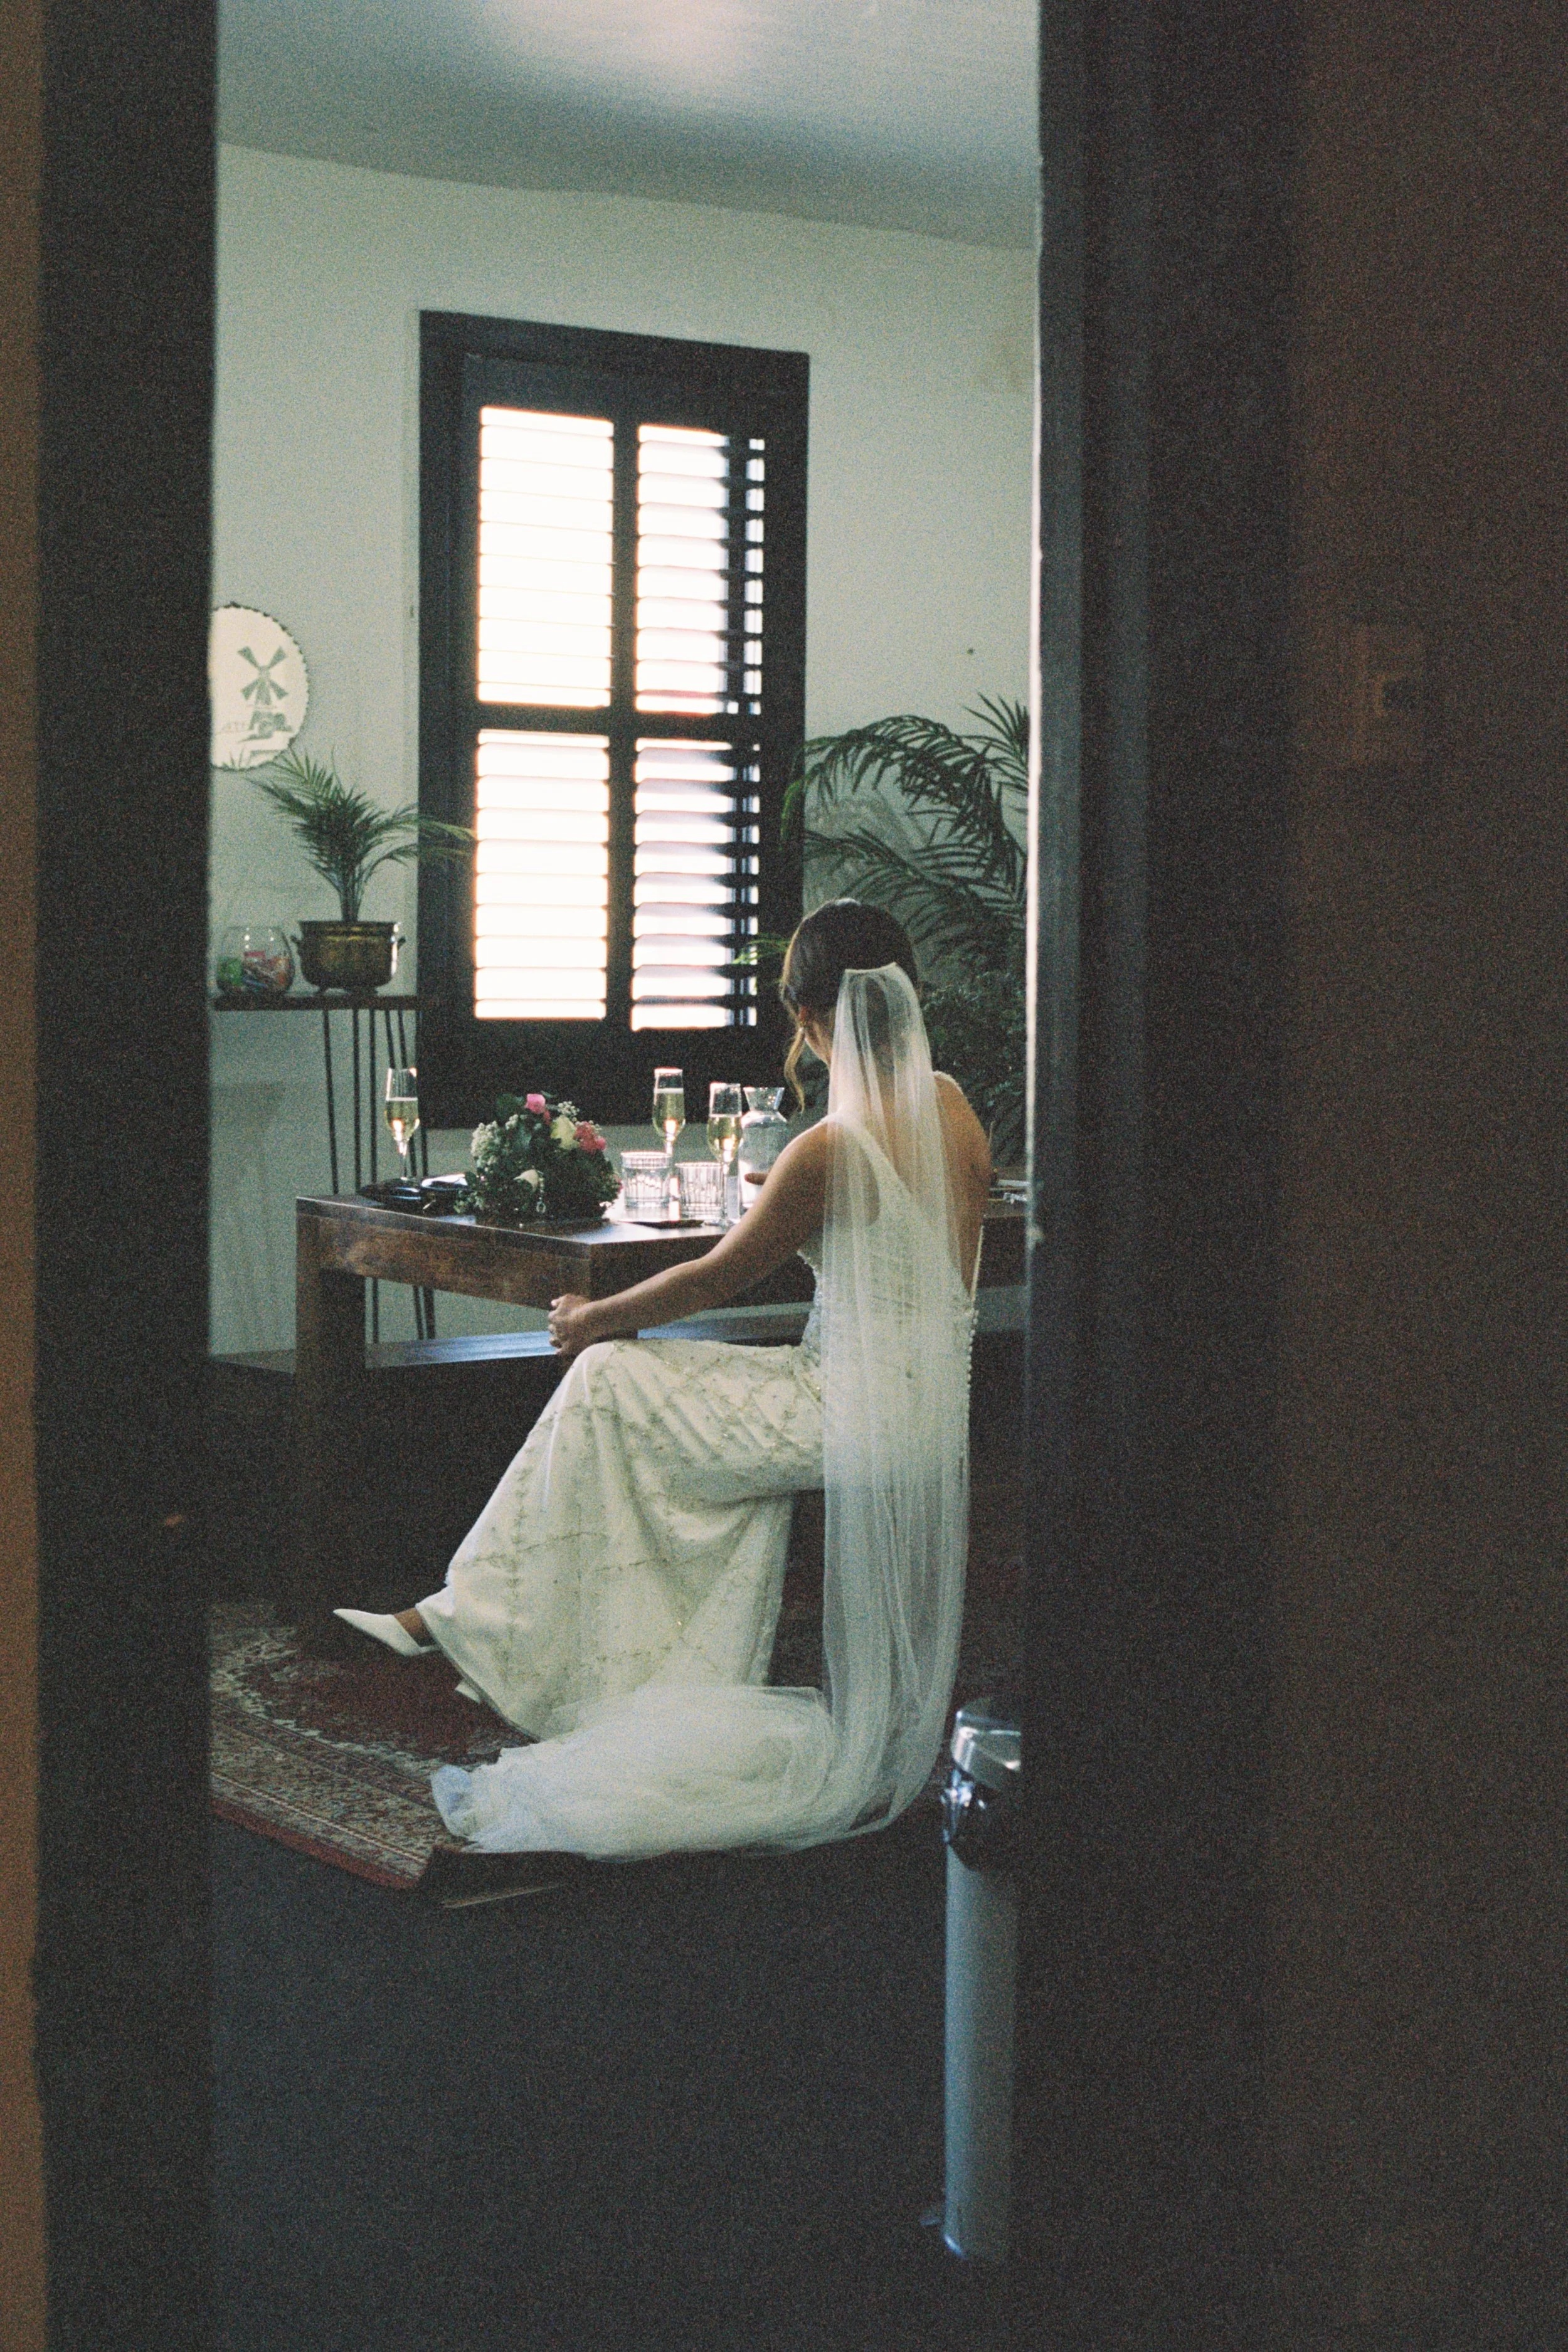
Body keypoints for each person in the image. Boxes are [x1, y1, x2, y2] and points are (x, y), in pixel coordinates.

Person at [334, 899, 992, 1858]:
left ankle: (472, 1620)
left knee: (609, 1377)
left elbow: (712, 1277)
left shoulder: (829, 1149)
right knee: (675, 1442)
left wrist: (591, 1316)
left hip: (842, 1409)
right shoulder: (948, 1104)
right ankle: (625, 1669)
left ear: (814, 1019)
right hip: (929, 1410)